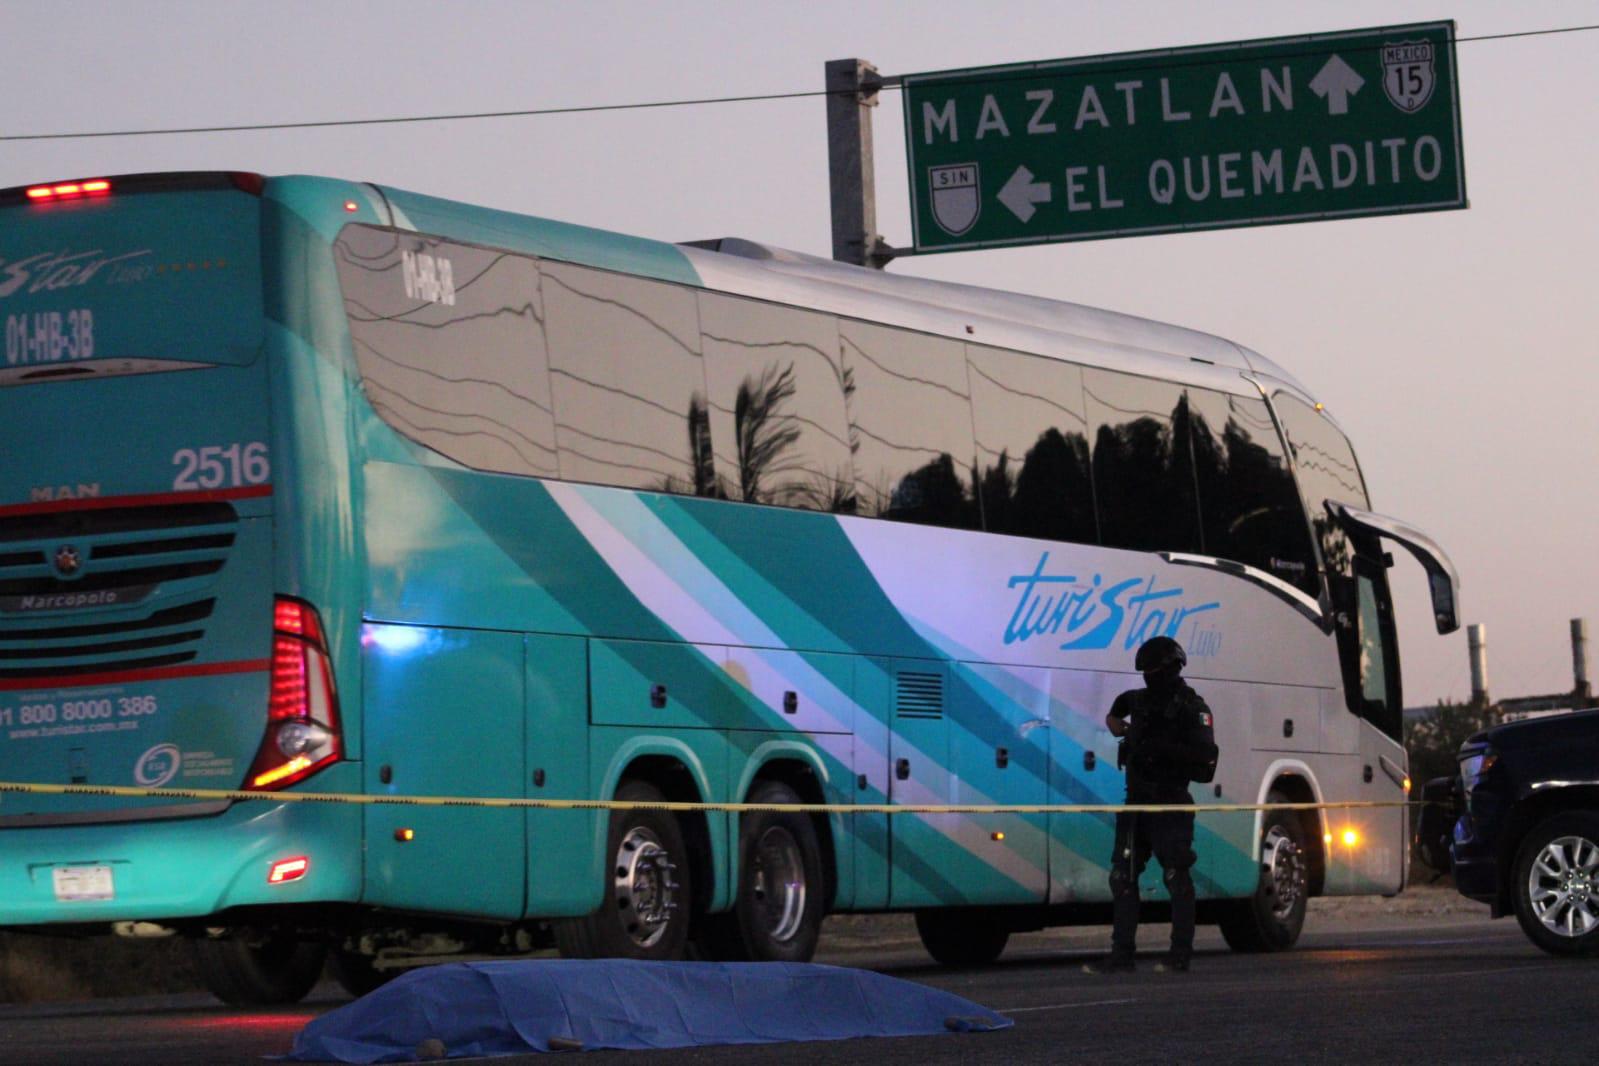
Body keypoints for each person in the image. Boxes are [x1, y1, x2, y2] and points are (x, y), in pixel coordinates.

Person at [1082, 636, 1217, 975]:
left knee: (1176, 876)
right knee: (1122, 877)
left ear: (1171, 669)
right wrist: (1119, 725)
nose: (1149, 678)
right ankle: (1121, 955)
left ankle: (1179, 954)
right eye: (1145, 672)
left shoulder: (1191, 707)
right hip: (1136, 802)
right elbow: (1118, 707)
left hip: (1170, 802)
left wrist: (1163, 748)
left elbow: (1205, 761)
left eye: (1154, 671)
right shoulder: (1139, 700)